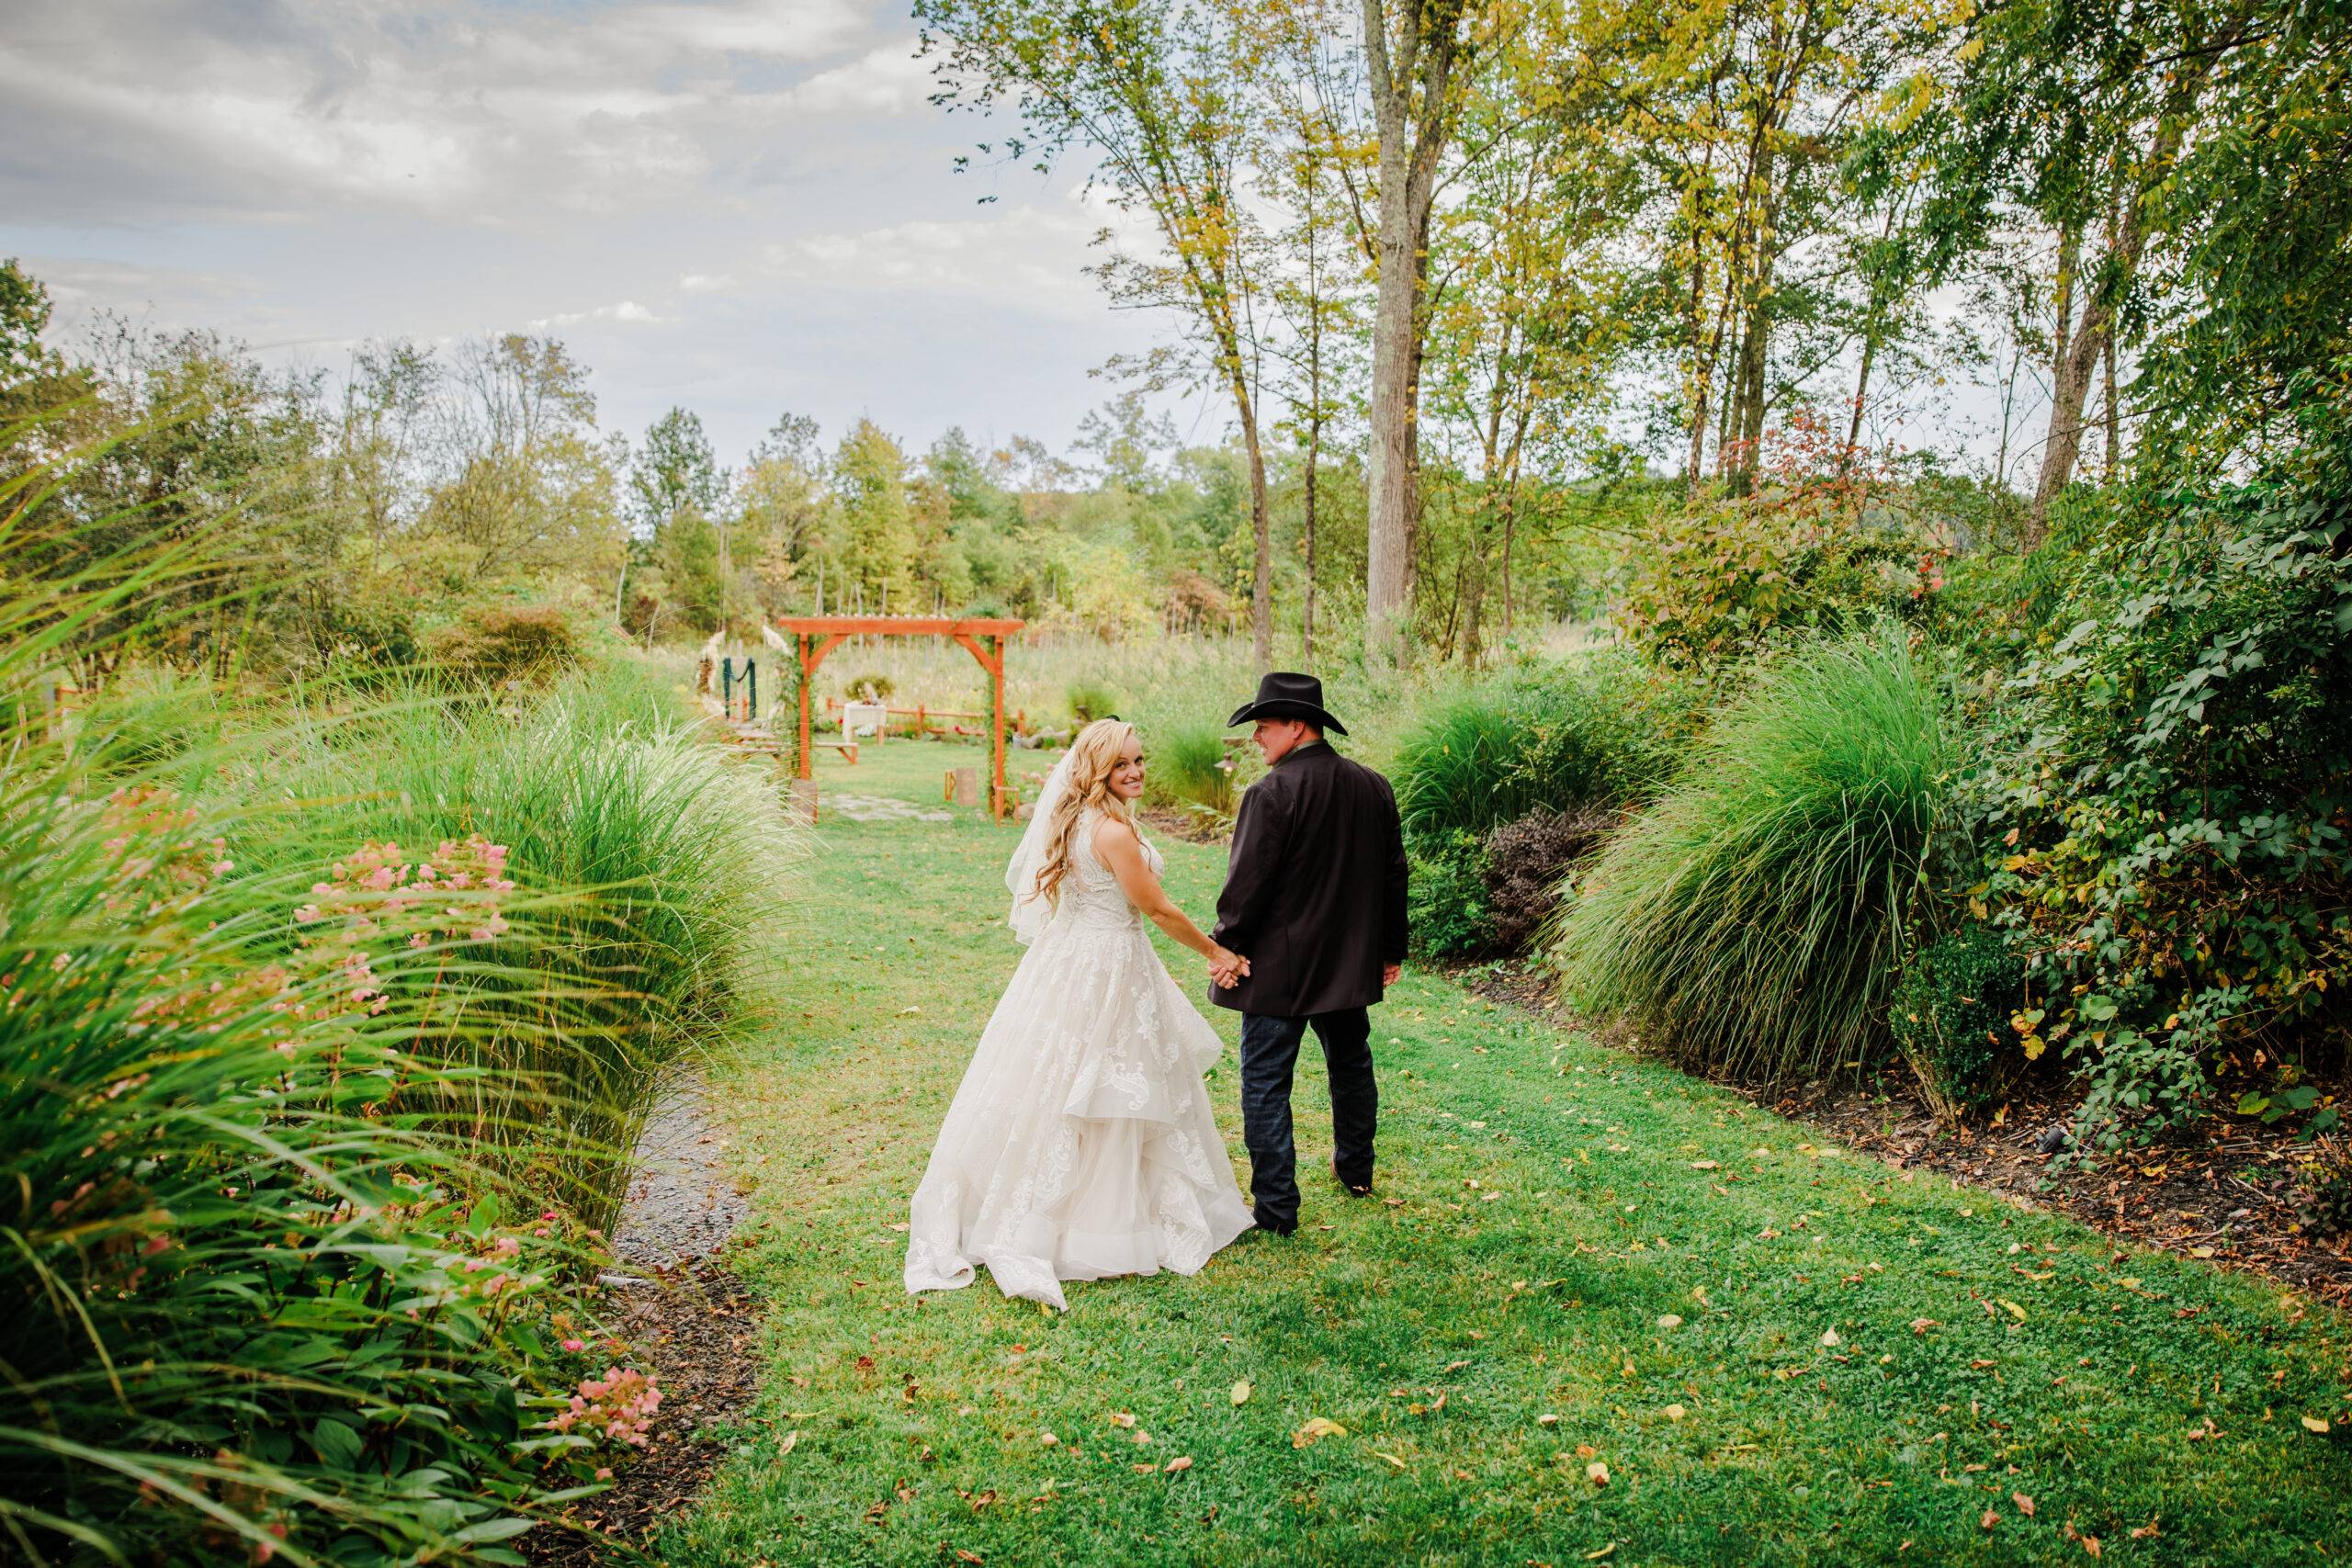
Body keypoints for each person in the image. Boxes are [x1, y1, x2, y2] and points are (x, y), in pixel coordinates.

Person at [902, 718, 1256, 1311]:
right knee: (1102, 1083)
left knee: (1074, 1079)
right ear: (1096, 771)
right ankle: (1096, 1225)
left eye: (1140, 760)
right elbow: (1158, 909)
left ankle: (1102, 1204)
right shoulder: (1112, 833)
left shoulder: (1082, 821)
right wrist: (1218, 952)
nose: (1136, 772)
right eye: (1122, 765)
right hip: (1107, 964)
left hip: (1075, 958)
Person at [1208, 672, 1409, 1235]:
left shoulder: (1270, 794)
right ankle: (1357, 1171)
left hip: (1277, 970)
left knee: (1266, 1080)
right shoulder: (1375, 786)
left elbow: (1246, 887)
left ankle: (1276, 1207)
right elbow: (1395, 876)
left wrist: (1227, 946)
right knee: (1351, 1065)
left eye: (1263, 727)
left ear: (1297, 726)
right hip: (1347, 964)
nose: (1256, 738)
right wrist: (1390, 949)